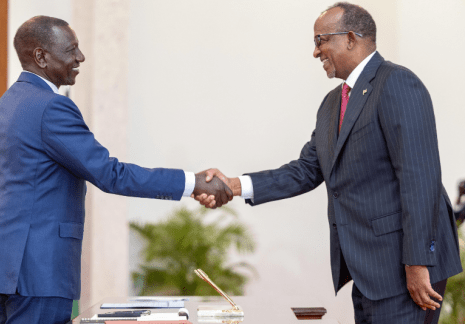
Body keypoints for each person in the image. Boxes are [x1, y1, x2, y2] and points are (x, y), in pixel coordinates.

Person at [195, 2, 462, 323]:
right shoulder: (332, 103)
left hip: (405, 268)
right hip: (366, 269)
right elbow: (306, 169)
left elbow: (420, 179)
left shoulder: (397, 84)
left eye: (321, 40)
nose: (315, 51)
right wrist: (234, 185)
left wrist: (419, 264)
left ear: (351, 37)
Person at [0, 16, 232, 324]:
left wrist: (9, 249)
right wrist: (193, 183)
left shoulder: (3, 108)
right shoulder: (51, 108)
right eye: (72, 49)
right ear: (41, 56)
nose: (80, 57)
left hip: (4, 268)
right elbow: (111, 174)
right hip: (41, 270)